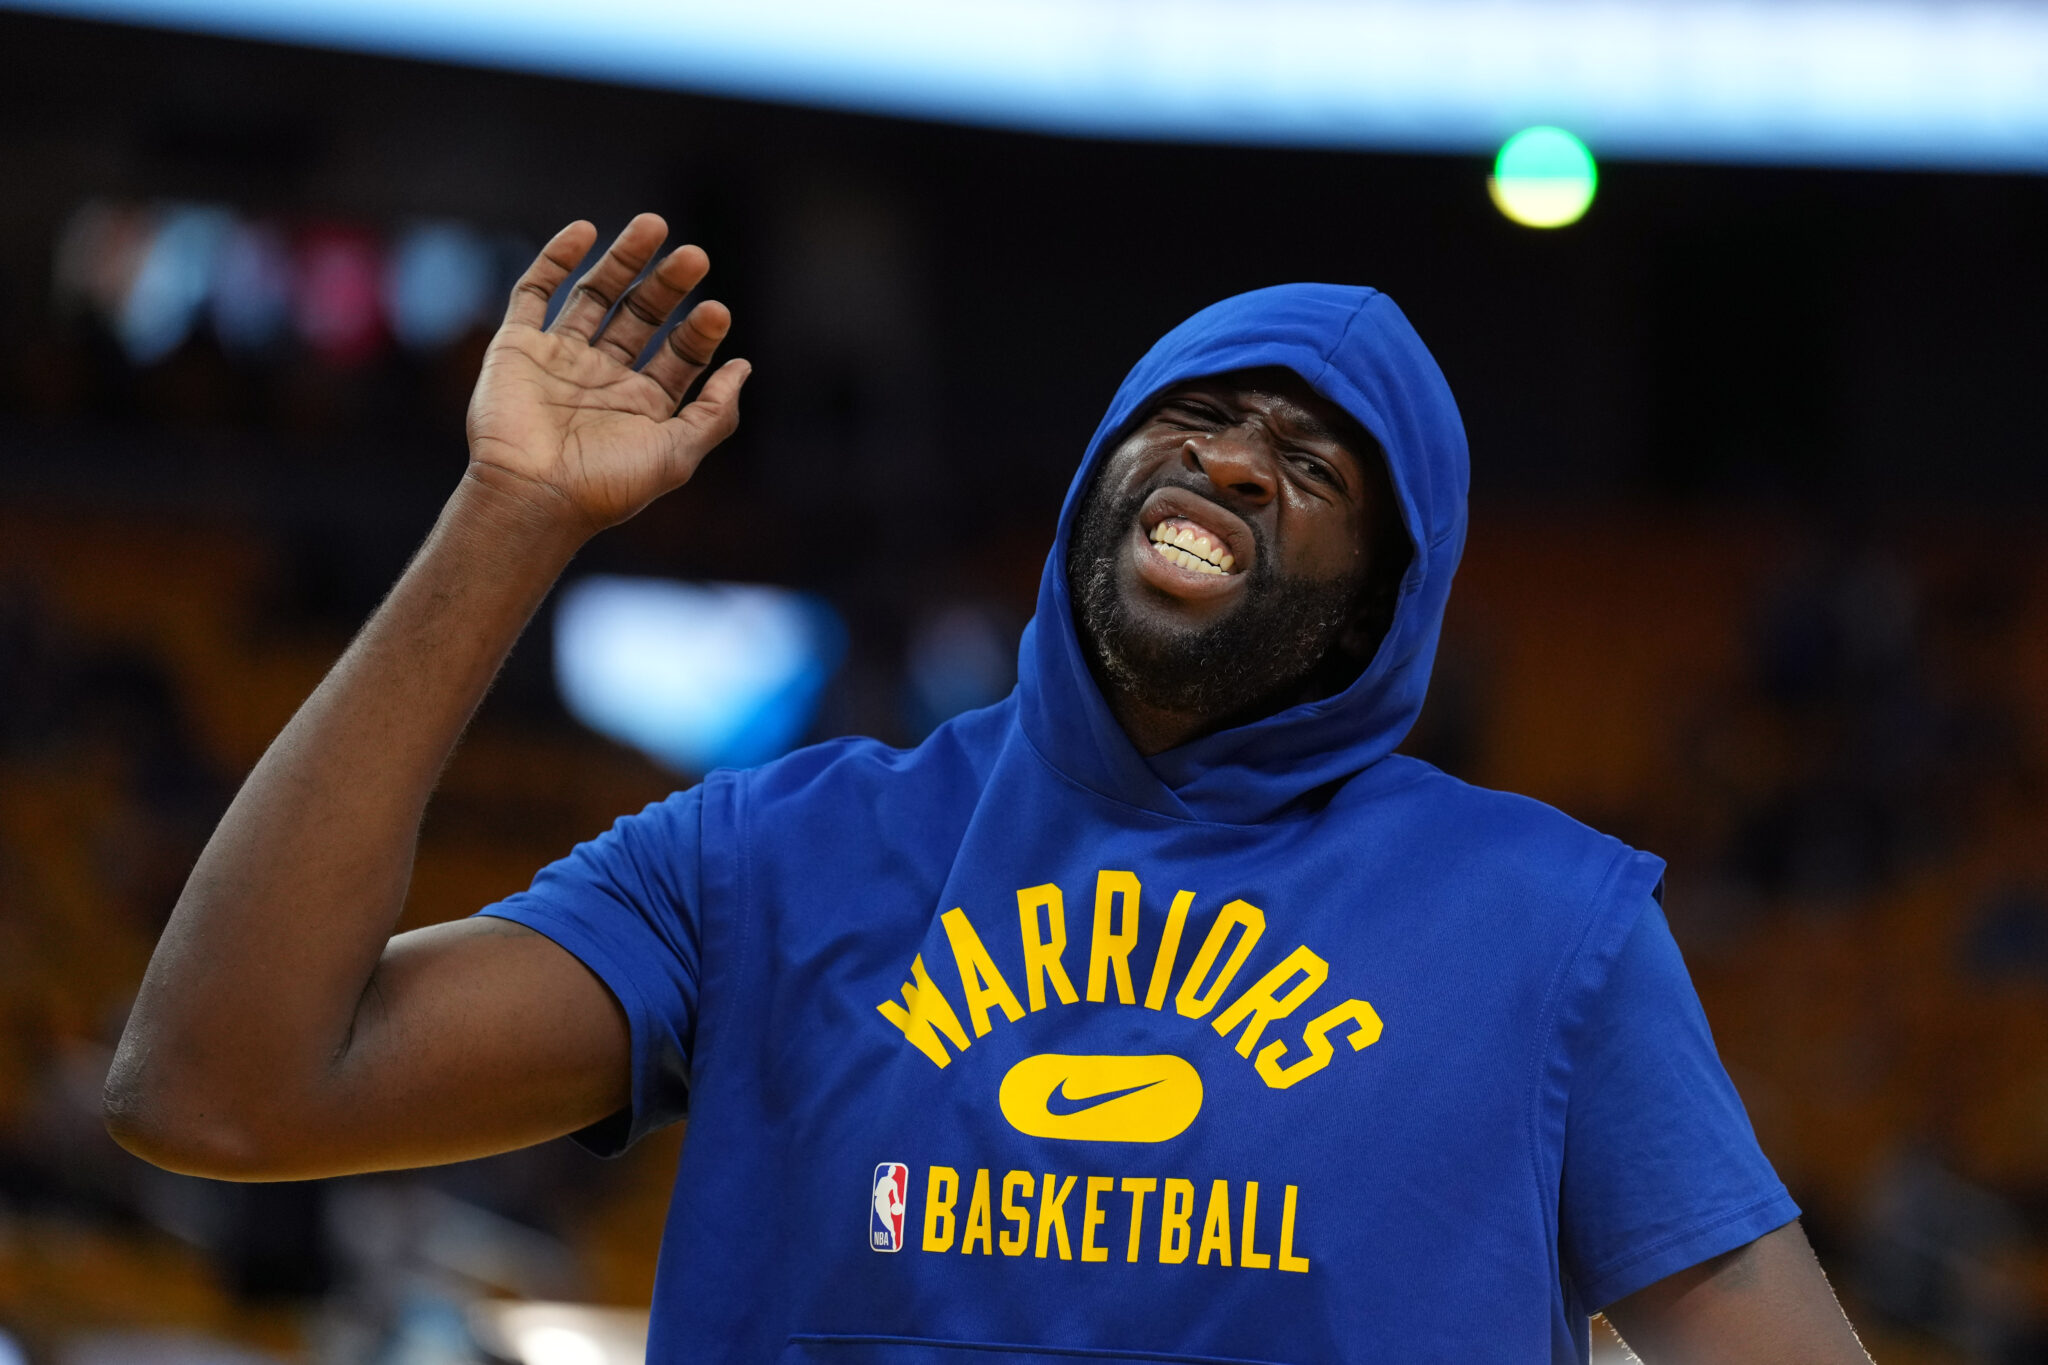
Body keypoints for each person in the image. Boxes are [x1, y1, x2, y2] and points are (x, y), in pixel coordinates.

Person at [104, 215, 1872, 1363]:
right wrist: (509, 518)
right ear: (1099, 475)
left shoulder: (1550, 930)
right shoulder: (770, 855)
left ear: (1375, 608)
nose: (1237, 459)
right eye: (1197, 415)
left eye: (1315, 464)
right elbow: (220, 1089)